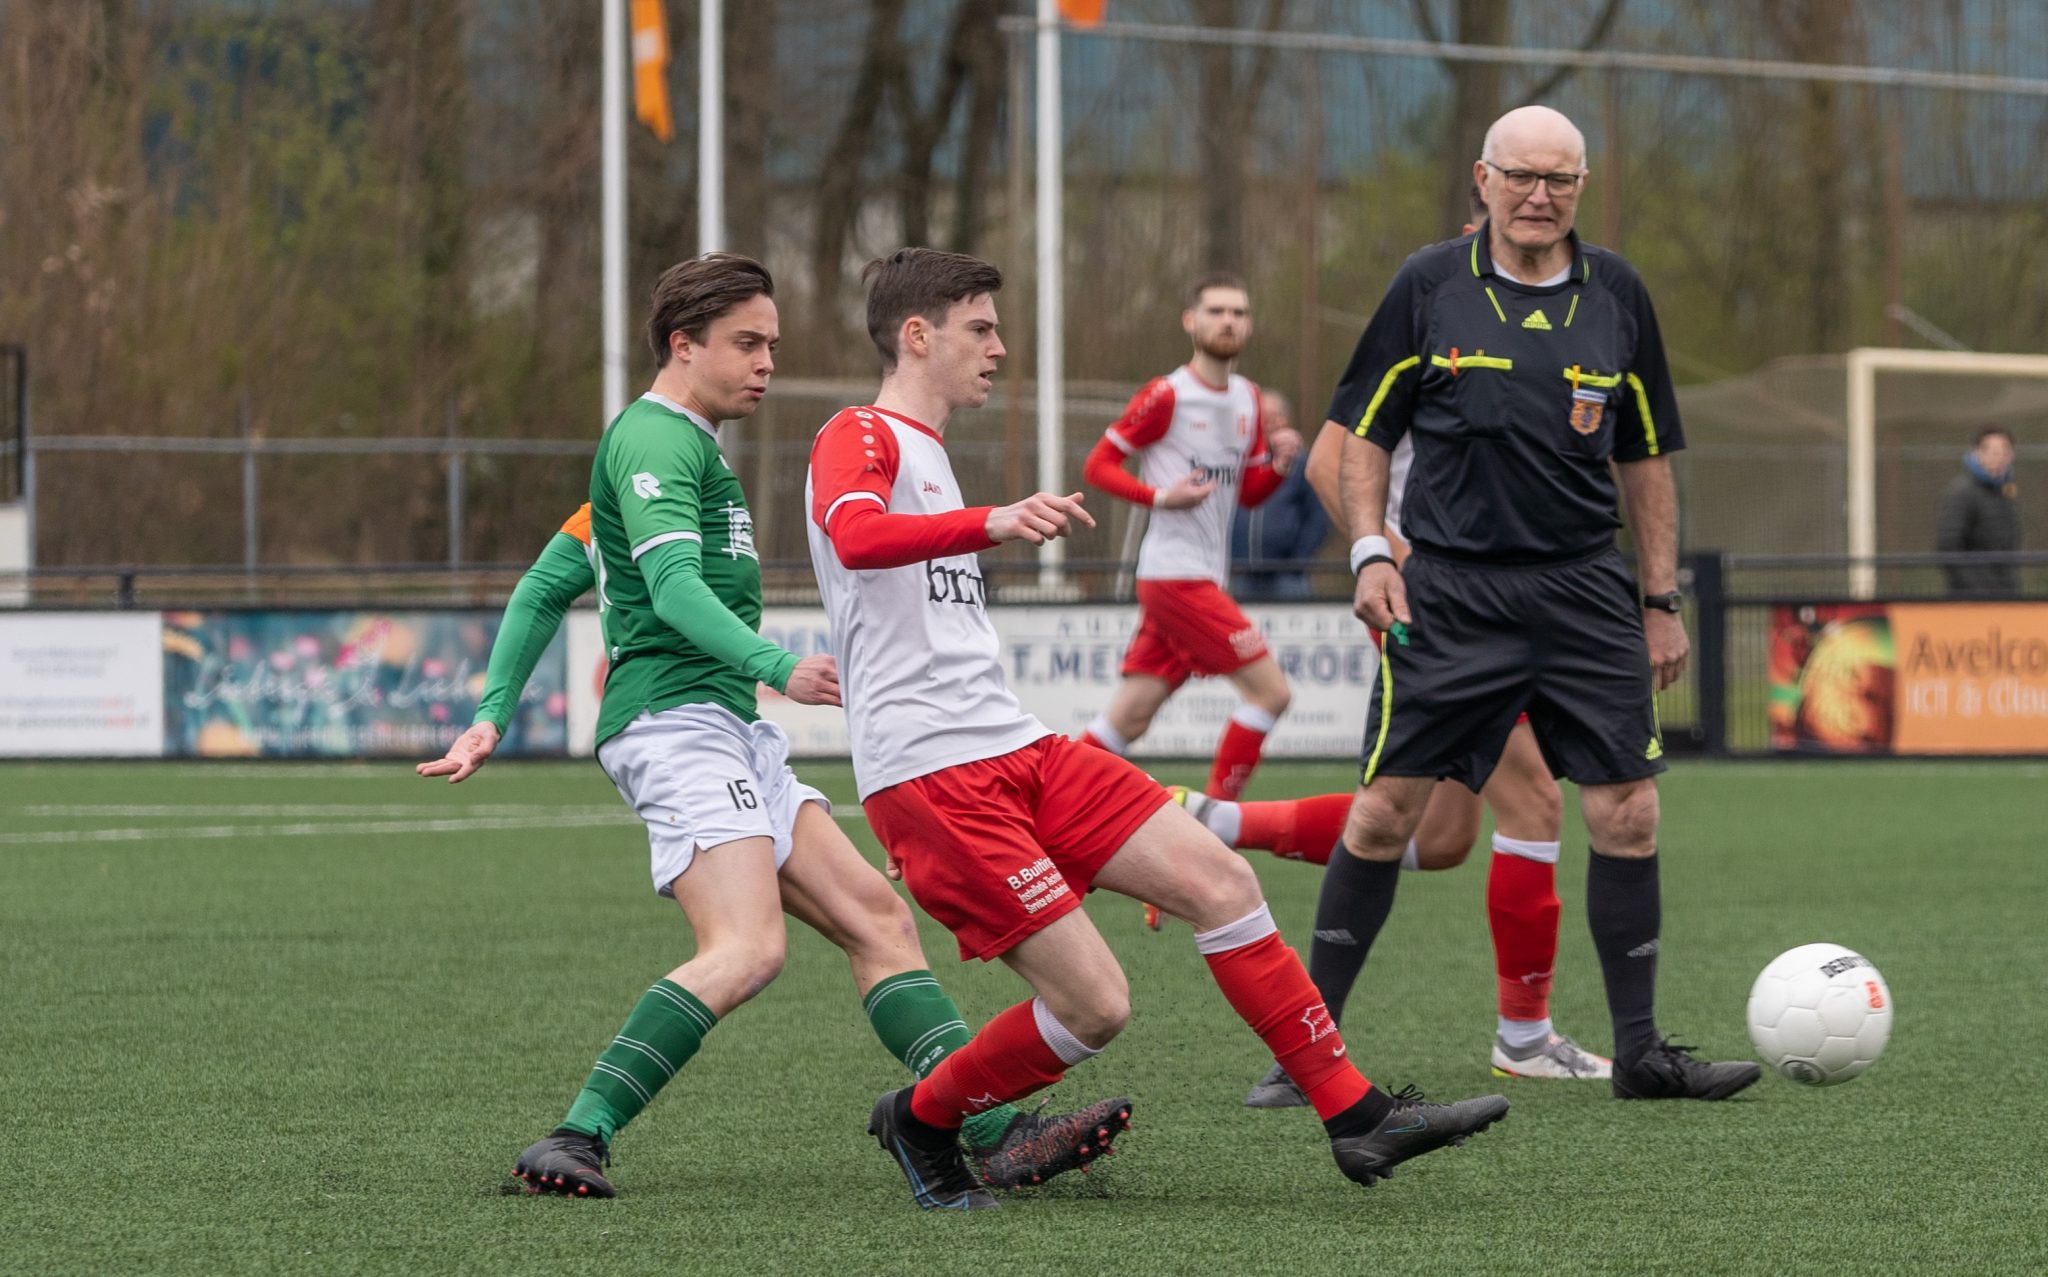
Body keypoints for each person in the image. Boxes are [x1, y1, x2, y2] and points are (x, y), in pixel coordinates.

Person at [805, 246, 1508, 1212]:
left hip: (1019, 744)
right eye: (981, 327)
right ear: (917, 334)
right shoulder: (858, 432)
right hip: (932, 775)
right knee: (1096, 1006)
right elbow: (852, 534)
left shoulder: (929, 450)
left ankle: (1357, 1116)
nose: (1000, 348)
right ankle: (924, 1119)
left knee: (1222, 881)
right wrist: (995, 522)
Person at [424, 254, 1127, 1200]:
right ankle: (574, 1135)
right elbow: (670, 591)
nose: (766, 364)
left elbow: (554, 578)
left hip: (724, 724)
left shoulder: (683, 450)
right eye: (748, 343)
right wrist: (776, 664)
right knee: (749, 947)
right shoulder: (653, 443)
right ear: (684, 344)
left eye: (773, 345)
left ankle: (995, 1127)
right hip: (674, 725)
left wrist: (488, 716)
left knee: (878, 919)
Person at [1327, 106, 1760, 1102]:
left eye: (1558, 180)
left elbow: (1644, 457)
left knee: (1627, 808)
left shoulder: (1617, 293)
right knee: (1386, 808)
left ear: (1580, 185)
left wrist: (1659, 597)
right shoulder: (1426, 285)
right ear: (1480, 178)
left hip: (1582, 588)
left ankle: (1641, 1053)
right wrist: (1365, 553)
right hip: (1447, 589)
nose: (1537, 196)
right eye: (1519, 175)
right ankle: (1302, 1045)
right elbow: (1362, 432)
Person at [1077, 274, 1304, 800]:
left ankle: (1041, 804)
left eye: (1238, 313)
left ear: (1249, 325)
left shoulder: (1249, 398)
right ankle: (1219, 821)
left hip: (1200, 577)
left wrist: (1281, 464)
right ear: (1191, 321)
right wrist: (1160, 497)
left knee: (1127, 720)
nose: (1228, 321)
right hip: (1175, 575)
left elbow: (1247, 494)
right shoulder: (1167, 394)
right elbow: (1098, 466)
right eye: (1216, 311)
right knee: (1272, 694)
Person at [1231, 391, 1329, 601]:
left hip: (1288, 577)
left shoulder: (1302, 465)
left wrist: (1298, 561)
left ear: (1282, 421)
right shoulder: (1241, 464)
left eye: (1264, 419)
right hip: (1243, 575)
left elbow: (1318, 517)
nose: (1259, 425)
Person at [1936, 425, 2020, 596]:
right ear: (1978, 453)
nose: (2000, 457)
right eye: (1994, 452)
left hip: (2006, 592)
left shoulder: (2006, 492)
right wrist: (1976, 588)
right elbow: (1948, 546)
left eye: (2005, 451)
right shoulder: (1961, 492)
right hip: (1970, 599)